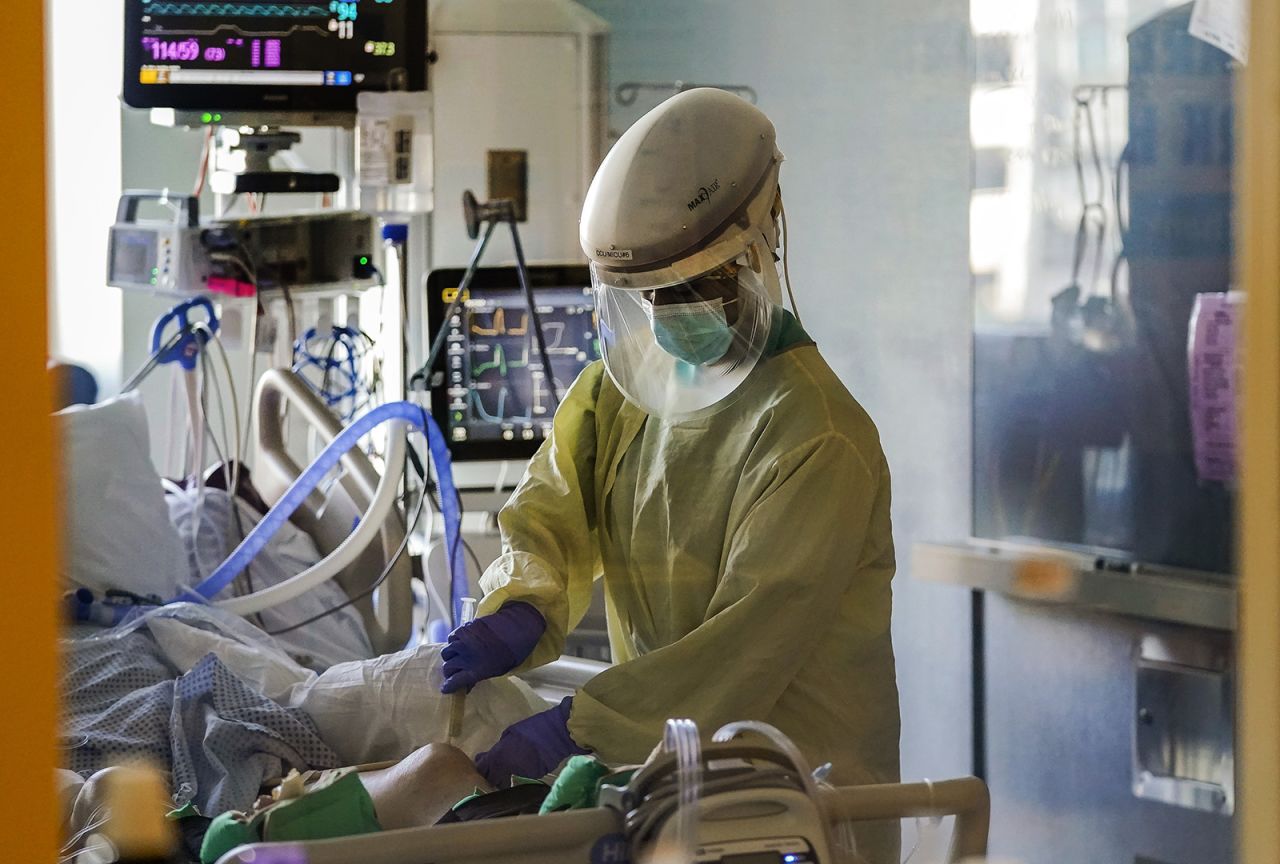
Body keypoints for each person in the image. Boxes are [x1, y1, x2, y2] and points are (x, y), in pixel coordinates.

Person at [441, 88, 900, 859]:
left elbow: (741, 647)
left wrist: (580, 727)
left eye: (697, 286)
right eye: (651, 294)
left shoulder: (817, 437)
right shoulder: (627, 389)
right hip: (663, 777)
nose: (670, 311)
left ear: (759, 249)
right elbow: (553, 499)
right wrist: (522, 600)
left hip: (794, 795)